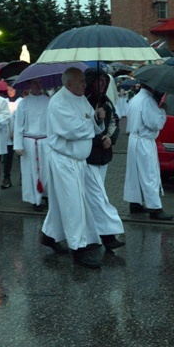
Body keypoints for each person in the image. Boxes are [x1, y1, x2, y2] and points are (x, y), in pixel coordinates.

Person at [40, 68, 106, 269]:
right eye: (81, 82)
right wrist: (90, 120)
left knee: (65, 203)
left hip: (78, 161)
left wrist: (97, 118)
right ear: (69, 84)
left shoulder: (81, 98)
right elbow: (72, 130)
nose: (85, 84)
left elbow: (89, 124)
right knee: (73, 204)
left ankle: (49, 235)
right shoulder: (58, 102)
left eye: (84, 81)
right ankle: (79, 248)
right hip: (64, 160)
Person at [83, 68, 125, 252]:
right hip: (87, 155)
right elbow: (80, 129)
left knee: (94, 196)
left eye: (104, 80)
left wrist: (110, 137)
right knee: (98, 196)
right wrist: (95, 118)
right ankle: (108, 234)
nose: (102, 84)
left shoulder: (105, 101)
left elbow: (114, 121)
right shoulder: (83, 102)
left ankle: (50, 235)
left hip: (103, 155)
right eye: (98, 80)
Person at [123, 83, 173, 220]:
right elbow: (155, 123)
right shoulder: (147, 101)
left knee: (135, 174)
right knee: (149, 174)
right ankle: (155, 208)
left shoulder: (136, 99)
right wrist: (162, 111)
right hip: (144, 141)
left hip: (134, 139)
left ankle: (135, 203)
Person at [13, 79, 50, 211]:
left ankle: (46, 195)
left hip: (45, 141)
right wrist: (18, 145)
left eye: (40, 83)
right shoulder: (23, 103)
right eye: (35, 83)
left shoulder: (48, 101)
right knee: (32, 171)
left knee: (46, 171)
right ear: (29, 85)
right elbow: (18, 125)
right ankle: (35, 199)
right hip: (29, 142)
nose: (38, 85)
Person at [1, 79, 22, 189]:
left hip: (18, 134)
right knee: (7, 158)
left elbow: (22, 119)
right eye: (8, 90)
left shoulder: (21, 102)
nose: (10, 92)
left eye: (12, 89)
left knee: (21, 157)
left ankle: (23, 177)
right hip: (6, 134)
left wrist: (16, 132)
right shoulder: (4, 102)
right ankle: (6, 178)